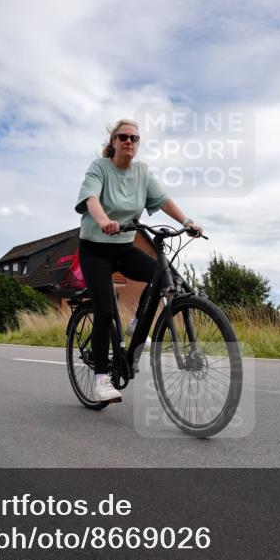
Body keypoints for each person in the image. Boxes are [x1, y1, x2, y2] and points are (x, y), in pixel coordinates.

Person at [74, 119, 204, 402]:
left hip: (123, 246)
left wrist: (187, 221)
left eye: (134, 137)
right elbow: (91, 199)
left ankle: (136, 322)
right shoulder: (100, 167)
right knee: (105, 312)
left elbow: (164, 200)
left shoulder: (142, 172)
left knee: (163, 275)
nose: (128, 141)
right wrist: (104, 221)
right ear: (113, 142)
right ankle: (101, 379)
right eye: (123, 137)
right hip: (95, 249)